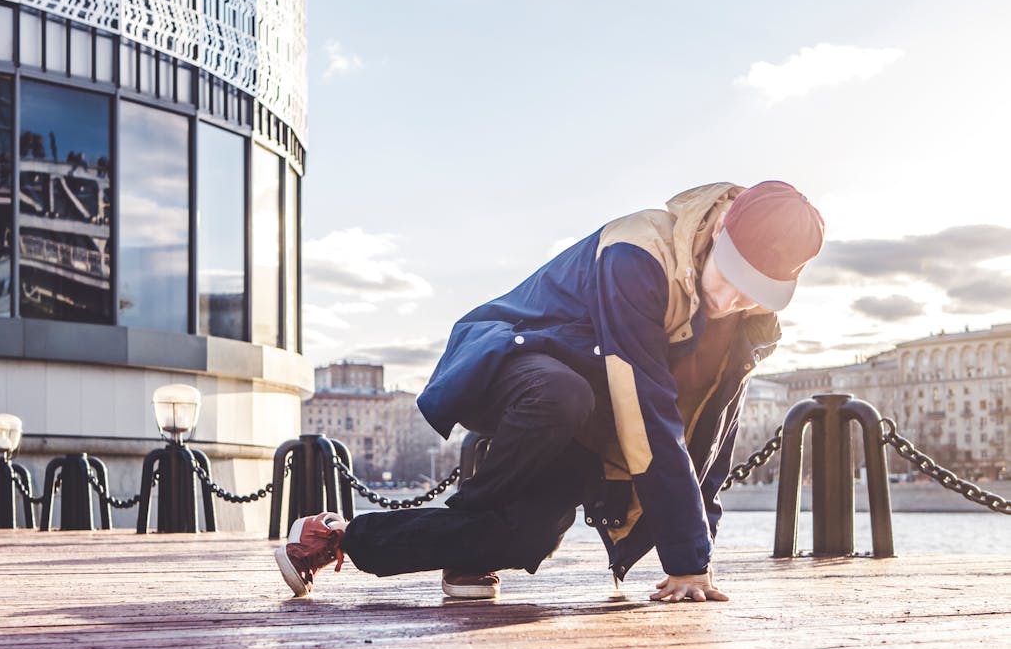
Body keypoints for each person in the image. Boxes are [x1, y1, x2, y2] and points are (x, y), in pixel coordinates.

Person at [276, 181, 825, 602]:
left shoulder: (744, 325)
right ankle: (475, 510)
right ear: (721, 225)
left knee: (525, 539)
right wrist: (685, 558)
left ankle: (337, 536)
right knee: (561, 395)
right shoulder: (637, 252)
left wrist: (702, 546)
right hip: (514, 366)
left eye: (752, 294)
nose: (728, 300)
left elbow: (711, 431)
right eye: (728, 274)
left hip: (591, 420)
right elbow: (646, 407)